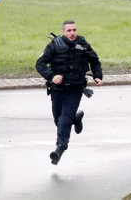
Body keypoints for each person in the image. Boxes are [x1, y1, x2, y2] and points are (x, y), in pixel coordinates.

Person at [36, 20, 103, 165]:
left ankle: (59, 149)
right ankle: (76, 119)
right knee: (58, 120)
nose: (72, 33)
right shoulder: (54, 45)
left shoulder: (83, 45)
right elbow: (40, 64)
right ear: (63, 32)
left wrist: (98, 75)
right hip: (57, 89)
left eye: (74, 30)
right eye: (69, 30)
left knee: (64, 118)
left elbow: (95, 61)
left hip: (75, 88)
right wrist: (52, 76)